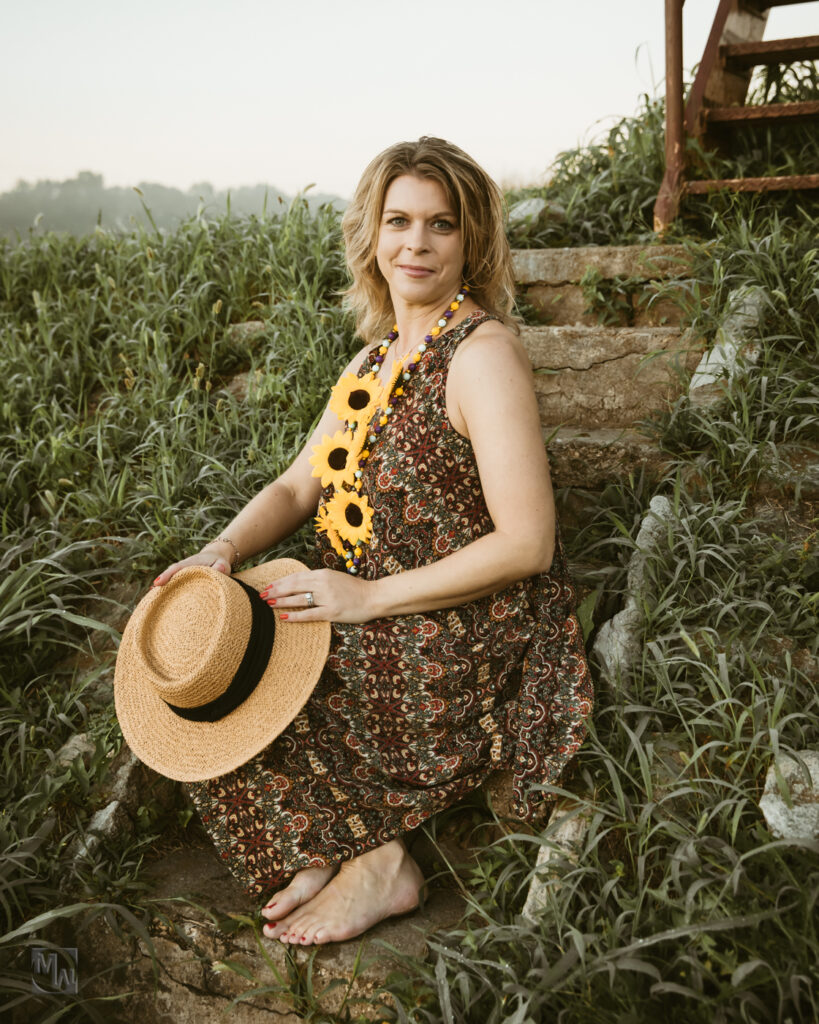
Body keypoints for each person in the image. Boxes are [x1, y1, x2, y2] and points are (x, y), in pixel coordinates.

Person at [152, 137, 593, 947]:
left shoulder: (481, 355)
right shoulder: (373, 357)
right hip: (374, 600)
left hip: (473, 625)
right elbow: (297, 485)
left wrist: (366, 597)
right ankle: (348, 843)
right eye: (398, 221)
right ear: (372, 234)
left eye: (440, 224)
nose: (416, 244)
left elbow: (529, 544)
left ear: (473, 241)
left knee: (267, 682)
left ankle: (377, 865)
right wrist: (218, 551)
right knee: (208, 671)